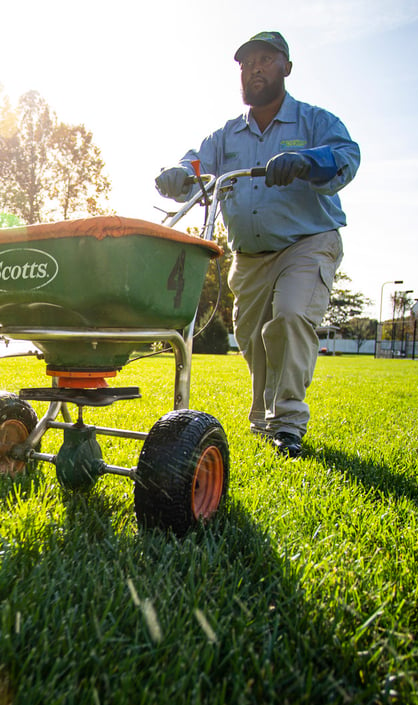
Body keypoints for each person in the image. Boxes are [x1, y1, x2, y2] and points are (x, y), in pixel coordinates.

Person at [155, 31, 360, 458]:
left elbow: (346, 155)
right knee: (251, 339)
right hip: (248, 258)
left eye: (265, 60)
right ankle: (263, 418)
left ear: (286, 66)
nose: (255, 69)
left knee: (288, 318)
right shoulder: (226, 136)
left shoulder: (313, 122)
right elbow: (195, 164)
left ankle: (287, 425)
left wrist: (307, 161)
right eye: (247, 64)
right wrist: (177, 173)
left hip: (306, 243)